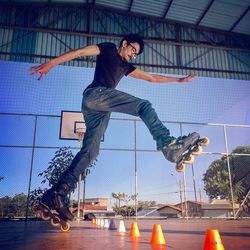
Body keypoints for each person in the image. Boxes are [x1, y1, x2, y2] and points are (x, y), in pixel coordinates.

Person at [30, 34, 198, 221]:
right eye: (132, 50)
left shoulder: (126, 66)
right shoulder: (108, 48)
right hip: (96, 94)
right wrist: (51, 64)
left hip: (99, 110)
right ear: (124, 44)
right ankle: (168, 145)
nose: (133, 55)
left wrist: (179, 80)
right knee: (144, 106)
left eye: (136, 54)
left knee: (91, 152)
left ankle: (56, 194)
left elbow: (150, 78)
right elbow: (80, 52)